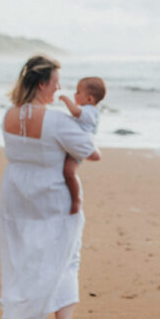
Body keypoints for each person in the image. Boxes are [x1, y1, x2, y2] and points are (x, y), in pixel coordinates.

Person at [0, 55, 96, 319]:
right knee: (66, 259)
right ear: (42, 84)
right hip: (53, 194)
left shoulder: (8, 115)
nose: (59, 89)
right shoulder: (55, 119)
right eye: (56, 84)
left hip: (15, 193)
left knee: (27, 257)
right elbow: (90, 152)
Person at [59, 77, 106, 215]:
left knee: (69, 172)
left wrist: (66, 100)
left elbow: (75, 112)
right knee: (64, 170)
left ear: (90, 99)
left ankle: (76, 199)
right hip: (75, 145)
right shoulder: (87, 110)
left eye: (78, 92)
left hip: (80, 147)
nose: (75, 94)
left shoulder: (90, 111)